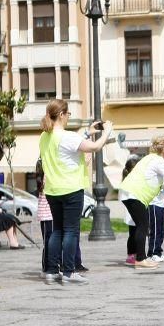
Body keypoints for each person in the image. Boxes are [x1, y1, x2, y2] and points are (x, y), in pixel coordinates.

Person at [38, 99, 112, 285]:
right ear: (62, 114)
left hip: (53, 189)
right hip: (71, 187)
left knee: (57, 230)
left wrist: (88, 132)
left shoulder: (44, 136)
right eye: (68, 114)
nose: (69, 117)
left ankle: (52, 271)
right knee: (71, 231)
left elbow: (70, 144)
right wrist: (107, 132)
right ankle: (69, 272)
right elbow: (94, 147)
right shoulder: (67, 136)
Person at [119, 136, 164, 269]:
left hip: (130, 192)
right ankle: (140, 260)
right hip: (135, 194)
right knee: (143, 226)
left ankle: (138, 257)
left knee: (139, 226)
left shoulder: (150, 158)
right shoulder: (157, 160)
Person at [36, 158, 83, 278]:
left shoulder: (43, 178)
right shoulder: (48, 177)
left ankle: (53, 267)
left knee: (52, 238)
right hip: (48, 215)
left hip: (47, 214)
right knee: (55, 237)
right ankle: (51, 267)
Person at [119, 155, 142, 266]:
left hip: (138, 209)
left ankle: (139, 253)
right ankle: (131, 254)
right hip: (132, 210)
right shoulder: (128, 181)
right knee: (133, 233)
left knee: (138, 232)